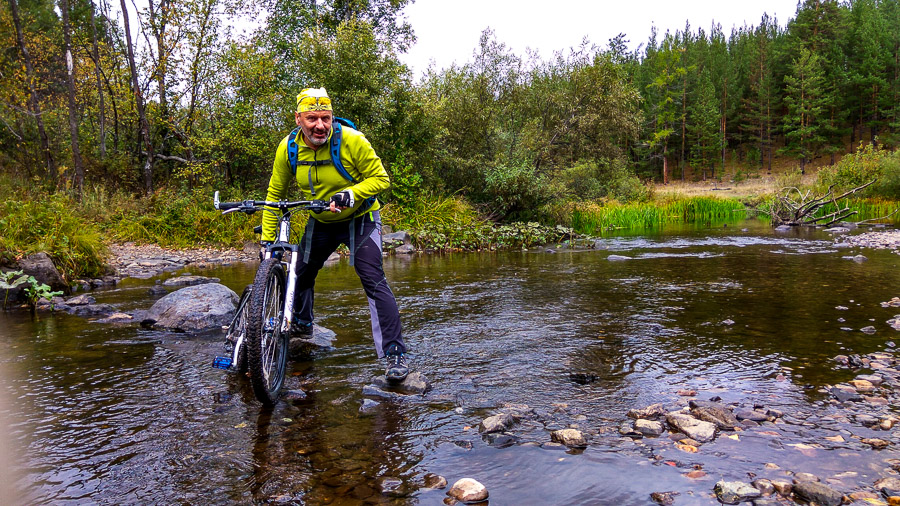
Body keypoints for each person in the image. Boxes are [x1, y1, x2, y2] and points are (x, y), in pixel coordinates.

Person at [261, 87, 408, 382]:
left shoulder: (352, 141)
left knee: (372, 277)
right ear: (298, 118)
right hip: (321, 220)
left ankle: (394, 354)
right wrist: (268, 242)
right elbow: (274, 195)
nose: (320, 125)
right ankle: (302, 323)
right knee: (299, 272)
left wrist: (351, 194)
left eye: (325, 118)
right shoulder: (287, 148)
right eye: (312, 118)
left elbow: (381, 179)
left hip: (360, 216)